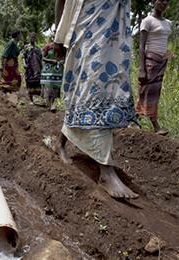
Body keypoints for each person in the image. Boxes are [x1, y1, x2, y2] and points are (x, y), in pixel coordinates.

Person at [54, 0, 139, 199]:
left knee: (105, 90)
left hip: (114, 34)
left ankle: (60, 143)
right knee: (92, 90)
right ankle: (106, 171)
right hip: (89, 29)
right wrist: (59, 37)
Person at [136, 0, 172, 135]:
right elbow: (141, 45)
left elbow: (165, 42)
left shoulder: (168, 23)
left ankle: (135, 120)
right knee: (144, 91)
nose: (164, 3)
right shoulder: (147, 21)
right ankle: (155, 125)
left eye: (166, 1)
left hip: (161, 62)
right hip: (150, 61)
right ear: (153, 1)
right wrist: (141, 68)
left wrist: (168, 55)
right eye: (161, 0)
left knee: (154, 94)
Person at [40, 34, 64, 111]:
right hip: (48, 70)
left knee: (56, 86)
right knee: (48, 86)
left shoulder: (62, 47)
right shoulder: (48, 46)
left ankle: (53, 103)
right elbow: (43, 58)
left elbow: (65, 57)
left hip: (57, 70)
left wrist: (62, 61)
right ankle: (47, 102)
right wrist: (51, 61)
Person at [22, 32, 43, 103]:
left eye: (34, 37)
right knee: (29, 82)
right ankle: (31, 99)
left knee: (37, 83)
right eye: (31, 37)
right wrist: (24, 64)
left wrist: (40, 68)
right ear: (29, 38)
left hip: (37, 69)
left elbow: (40, 58)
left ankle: (37, 99)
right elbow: (23, 56)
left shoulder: (38, 48)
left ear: (35, 38)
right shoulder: (26, 47)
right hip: (29, 68)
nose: (32, 38)